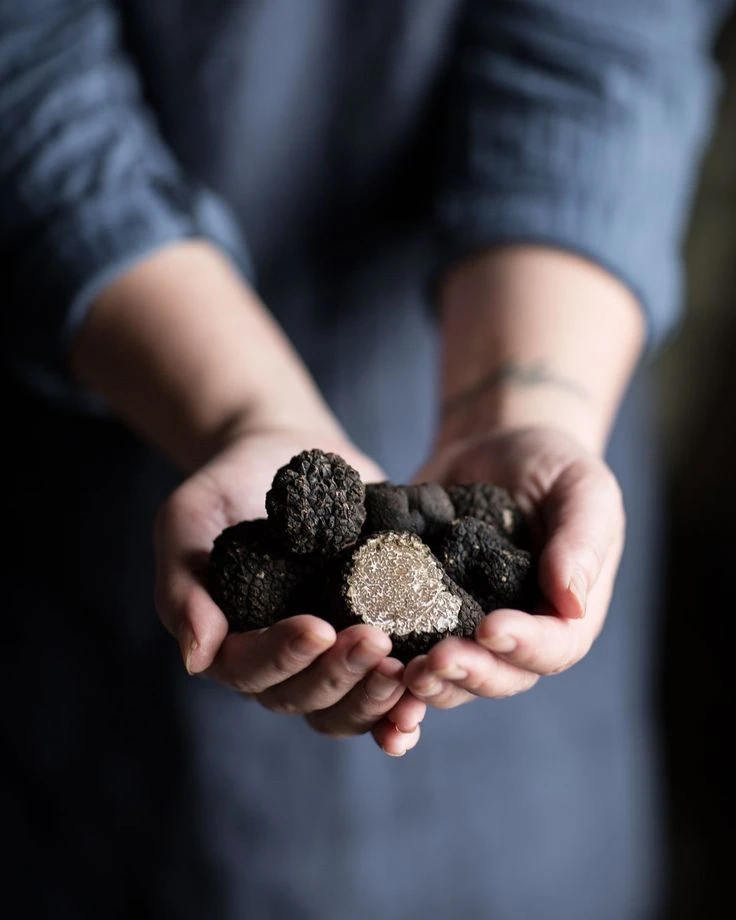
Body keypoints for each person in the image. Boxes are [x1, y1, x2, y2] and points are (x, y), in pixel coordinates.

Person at [0, 1, 729, 917]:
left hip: (526, 351)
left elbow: (605, 42)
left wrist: (525, 405)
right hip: (98, 480)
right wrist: (243, 416)